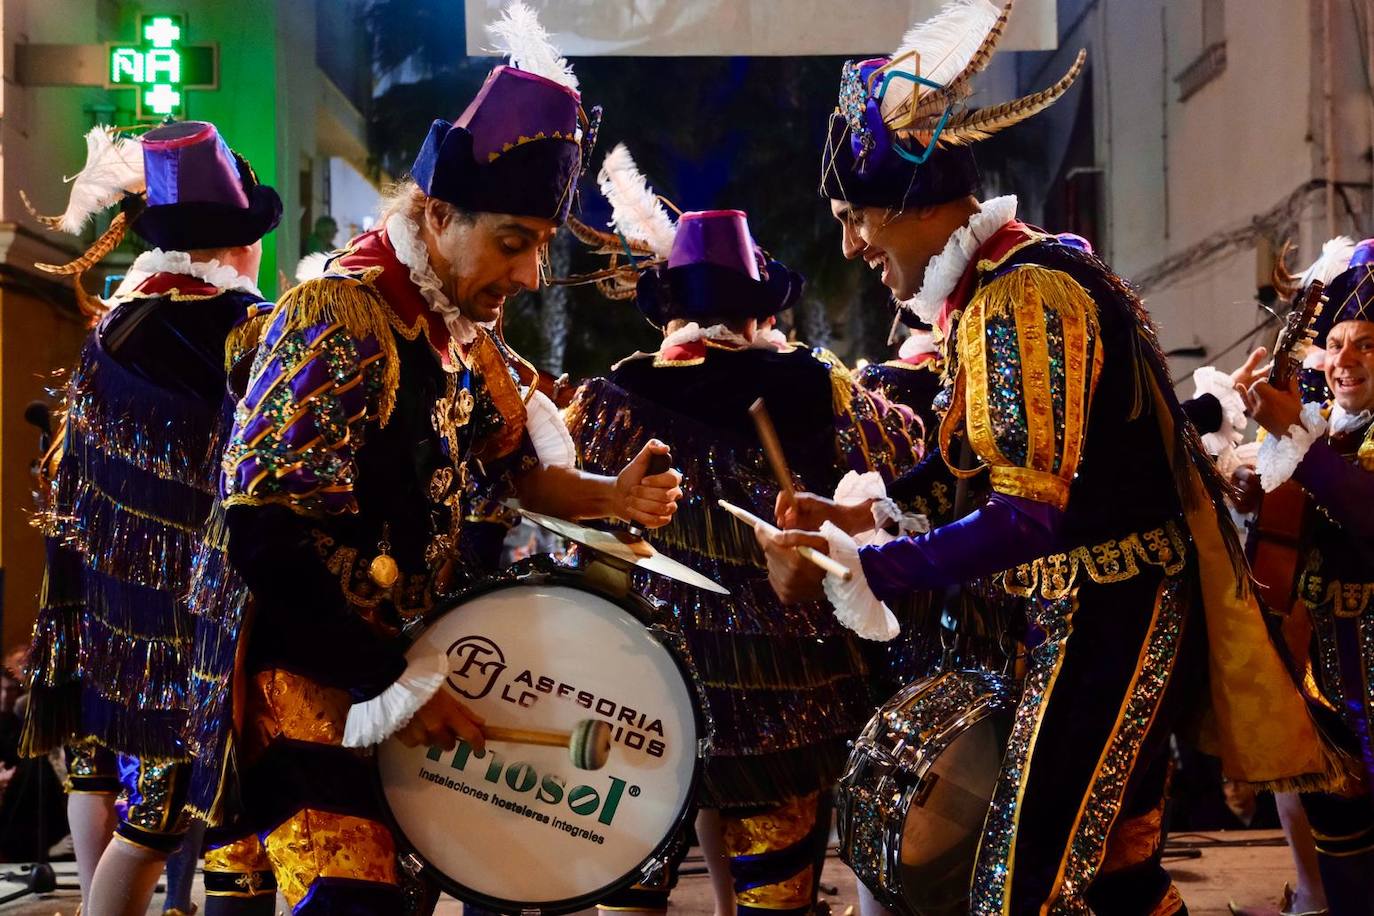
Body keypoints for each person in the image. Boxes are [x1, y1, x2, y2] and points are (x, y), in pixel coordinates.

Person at [756, 1, 1337, 912]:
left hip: (1107, 614)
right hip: (1099, 607)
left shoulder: (1022, 292)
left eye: (855, 214)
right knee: (1120, 874)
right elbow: (971, 469)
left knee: (1015, 889)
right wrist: (858, 517)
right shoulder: (1018, 280)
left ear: (909, 201)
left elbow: (1031, 509)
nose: (850, 244)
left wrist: (873, 566)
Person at [204, 6, 681, 913]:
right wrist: (392, 678)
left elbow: (516, 473)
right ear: (437, 212)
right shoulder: (338, 317)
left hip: (413, 673)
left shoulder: (462, 331)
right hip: (320, 682)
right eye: (514, 242)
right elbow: (263, 532)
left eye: (542, 247)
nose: (532, 275)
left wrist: (609, 495)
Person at [564, 145, 919, 916]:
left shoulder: (613, 397)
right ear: (764, 310)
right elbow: (910, 463)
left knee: (629, 895)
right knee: (775, 897)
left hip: (642, 688)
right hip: (784, 698)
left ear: (669, 311)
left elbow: (571, 520)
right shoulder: (824, 387)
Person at [19, 120, 279, 916]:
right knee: (164, 820)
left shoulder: (115, 328)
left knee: (108, 785)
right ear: (235, 245)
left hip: (99, 602)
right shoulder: (246, 329)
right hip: (190, 621)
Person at [1241, 239, 1374, 915]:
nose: (1345, 360)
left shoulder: (1326, 437)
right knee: (1342, 857)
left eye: (1367, 345)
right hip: (1331, 687)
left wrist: (1295, 434)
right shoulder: (1332, 430)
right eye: (1339, 343)